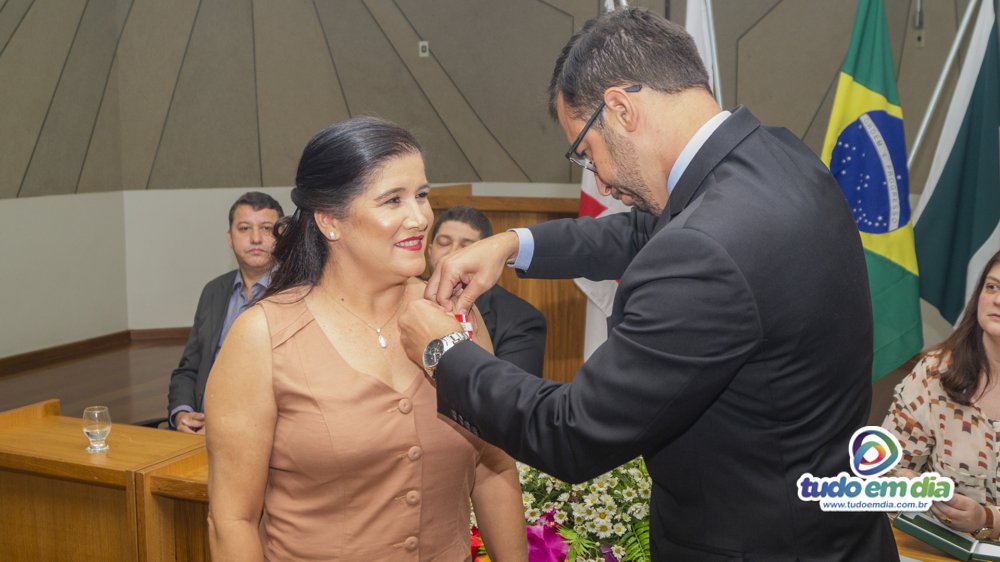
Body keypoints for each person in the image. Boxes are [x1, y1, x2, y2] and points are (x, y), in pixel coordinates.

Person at [398, 8, 898, 560]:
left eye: (586, 151)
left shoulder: (704, 249)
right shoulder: (777, 155)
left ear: (621, 107)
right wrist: (513, 243)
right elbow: (652, 230)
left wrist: (443, 349)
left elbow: (571, 431)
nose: (600, 180)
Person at [205, 117, 527, 561]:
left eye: (422, 195)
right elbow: (233, 521)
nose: (419, 218)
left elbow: (494, 469)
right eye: (393, 200)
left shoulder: (455, 316)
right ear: (330, 221)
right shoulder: (263, 336)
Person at [882, 250, 1000, 540]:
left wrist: (985, 519)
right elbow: (885, 467)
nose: (997, 299)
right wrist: (905, 484)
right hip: (937, 549)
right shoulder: (935, 371)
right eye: (993, 286)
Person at [167, 191, 284, 434]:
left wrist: (227, 427)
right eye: (244, 228)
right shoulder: (214, 291)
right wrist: (182, 413)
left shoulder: (297, 292)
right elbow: (188, 369)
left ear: (281, 236)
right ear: (230, 238)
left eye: (266, 228)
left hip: (259, 431)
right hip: (199, 428)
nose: (255, 238)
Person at [428, 205, 547, 376]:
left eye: (466, 246)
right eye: (444, 243)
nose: (453, 253)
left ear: (485, 258)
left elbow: (510, 395)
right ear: (430, 251)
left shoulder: (522, 321)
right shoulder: (404, 296)